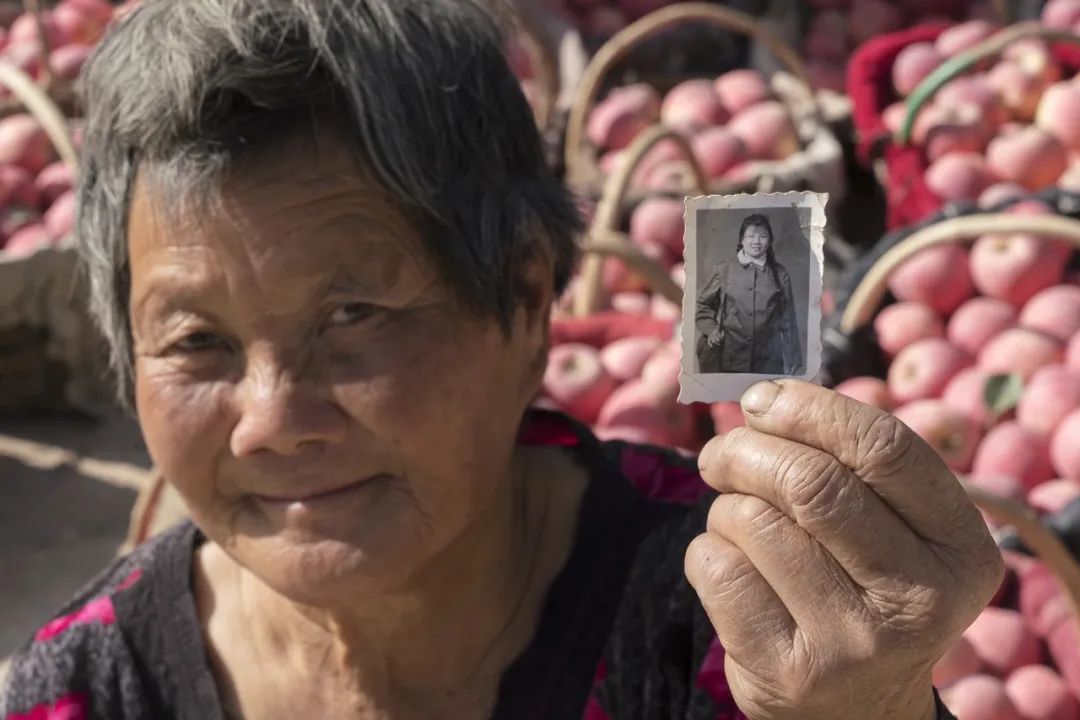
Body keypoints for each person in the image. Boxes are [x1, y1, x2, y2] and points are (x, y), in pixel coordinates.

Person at [0, 2, 1001, 719]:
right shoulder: (88, 689)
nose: (272, 417)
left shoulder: (738, 628)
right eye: (195, 343)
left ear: (525, 301)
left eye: (354, 314)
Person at [695, 213, 804, 376]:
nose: (756, 242)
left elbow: (789, 322)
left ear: (770, 241)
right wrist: (711, 330)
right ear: (742, 240)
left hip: (768, 363)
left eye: (762, 237)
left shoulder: (780, 274)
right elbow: (703, 306)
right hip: (729, 359)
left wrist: (794, 364)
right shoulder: (724, 269)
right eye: (751, 236)